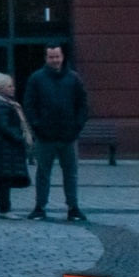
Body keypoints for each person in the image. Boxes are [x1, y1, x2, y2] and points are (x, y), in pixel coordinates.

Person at [22, 44, 89, 222]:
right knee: (43, 173)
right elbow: (29, 105)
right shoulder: (36, 79)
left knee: (71, 174)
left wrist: (77, 127)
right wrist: (38, 127)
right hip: (45, 138)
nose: (55, 60)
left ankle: (73, 208)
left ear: (62, 56)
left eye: (57, 56)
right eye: (51, 57)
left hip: (69, 137)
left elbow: (83, 105)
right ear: (46, 58)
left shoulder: (74, 79)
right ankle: (39, 207)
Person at [0, 72, 33, 217]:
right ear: (0, 88)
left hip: (6, 146)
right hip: (5, 146)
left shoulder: (5, 103)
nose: (13, 88)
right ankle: (5, 209)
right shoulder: (0, 105)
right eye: (9, 86)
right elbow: (3, 127)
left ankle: (5, 208)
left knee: (4, 177)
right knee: (3, 179)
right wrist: (19, 137)